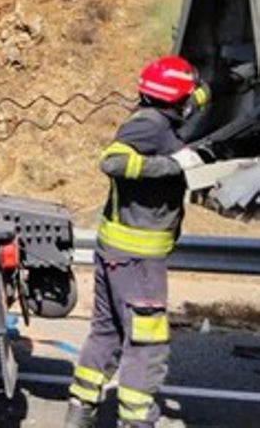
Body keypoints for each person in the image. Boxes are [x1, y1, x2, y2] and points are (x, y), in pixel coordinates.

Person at [65, 55, 210, 428]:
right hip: (138, 261)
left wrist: (218, 86)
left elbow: (195, 101)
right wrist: (175, 166)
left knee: (105, 333)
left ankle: (79, 413)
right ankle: (136, 419)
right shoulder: (149, 126)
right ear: (174, 99)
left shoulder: (157, 118)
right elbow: (113, 161)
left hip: (116, 255)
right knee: (147, 345)